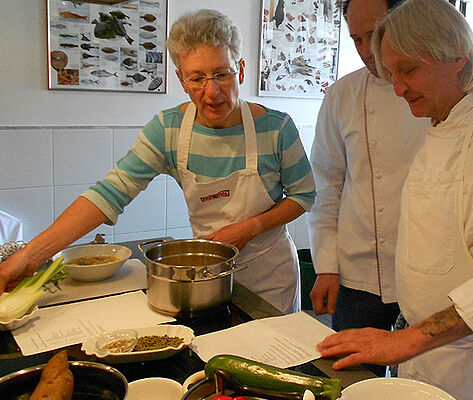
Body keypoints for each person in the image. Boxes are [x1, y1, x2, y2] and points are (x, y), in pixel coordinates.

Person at [316, 0, 473, 398]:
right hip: (431, 360)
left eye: (408, 71)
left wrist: (410, 339)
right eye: (392, 72)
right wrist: (410, 338)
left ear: (456, 58)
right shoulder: (442, 124)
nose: (397, 89)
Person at [0, 9, 316, 314]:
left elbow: (304, 195)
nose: (212, 92)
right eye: (197, 79)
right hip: (206, 278)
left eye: (222, 74)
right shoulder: (169, 130)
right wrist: (30, 256)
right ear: (181, 79)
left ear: (242, 70)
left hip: (269, 277)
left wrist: (251, 227)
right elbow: (110, 193)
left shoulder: (277, 127)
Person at [306, 0, 428, 376]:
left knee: (421, 383)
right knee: (348, 381)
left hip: (426, 277)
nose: (365, 51)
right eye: (356, 38)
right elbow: (325, 186)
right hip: (358, 275)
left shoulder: (440, 95)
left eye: (374, 35)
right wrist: (325, 267)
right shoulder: (341, 96)